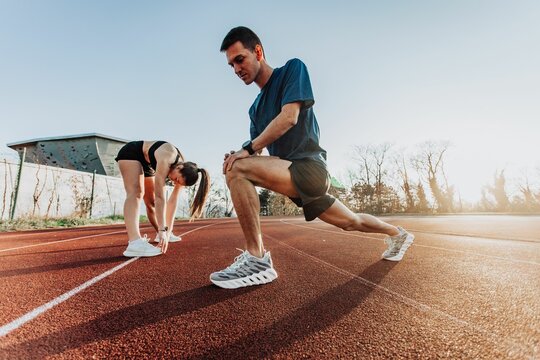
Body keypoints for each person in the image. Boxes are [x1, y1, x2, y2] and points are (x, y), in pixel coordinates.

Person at [210, 26, 414, 289]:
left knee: (236, 170)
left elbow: (289, 117)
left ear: (258, 52)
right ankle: (397, 234)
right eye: (231, 65)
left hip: (310, 169)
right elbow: (257, 151)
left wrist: (245, 153)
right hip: (291, 177)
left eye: (240, 59)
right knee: (352, 222)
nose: (236, 69)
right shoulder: (255, 109)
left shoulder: (292, 70)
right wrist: (241, 153)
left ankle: (258, 260)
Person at [115, 140, 210, 257]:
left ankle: (160, 234)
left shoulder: (182, 170)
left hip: (147, 163)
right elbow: (160, 197)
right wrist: (162, 230)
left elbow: (172, 202)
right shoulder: (167, 158)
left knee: (152, 204)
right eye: (176, 179)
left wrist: (167, 231)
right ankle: (134, 242)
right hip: (132, 152)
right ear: (179, 167)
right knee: (136, 192)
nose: (174, 182)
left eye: (177, 182)